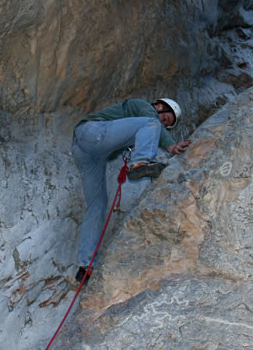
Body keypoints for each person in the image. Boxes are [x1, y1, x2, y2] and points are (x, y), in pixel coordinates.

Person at [71, 98, 192, 283]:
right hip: (91, 132)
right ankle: (140, 163)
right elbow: (152, 121)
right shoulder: (142, 106)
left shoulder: (136, 122)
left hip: (88, 153)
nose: (163, 125)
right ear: (159, 106)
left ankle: (85, 267)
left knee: (98, 205)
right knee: (151, 123)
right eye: (165, 119)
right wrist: (170, 146)